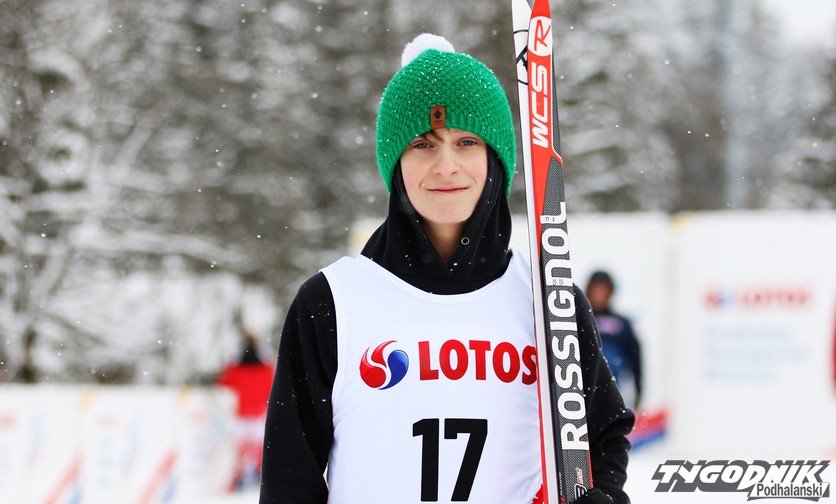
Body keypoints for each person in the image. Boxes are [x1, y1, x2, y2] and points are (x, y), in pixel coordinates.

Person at [260, 35, 633, 504]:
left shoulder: (549, 302)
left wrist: (601, 496)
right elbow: (289, 476)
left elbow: (602, 435)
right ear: (396, 162)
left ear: (494, 159)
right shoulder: (331, 303)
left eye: (466, 142)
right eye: (423, 144)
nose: (446, 166)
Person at [218, 333, 275, 490]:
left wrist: (229, 363)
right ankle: (259, 475)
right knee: (259, 449)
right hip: (259, 415)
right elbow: (273, 382)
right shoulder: (265, 370)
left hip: (243, 415)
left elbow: (223, 381)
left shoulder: (236, 370)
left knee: (242, 449)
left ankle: (241, 476)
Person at [585, 271, 643, 411]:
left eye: (603, 290)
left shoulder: (621, 324)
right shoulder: (580, 320)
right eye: (596, 289)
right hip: (584, 385)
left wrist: (638, 390)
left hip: (612, 388)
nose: (599, 294)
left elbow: (635, 357)